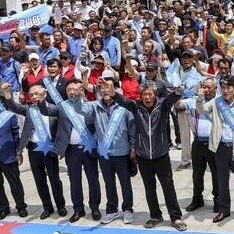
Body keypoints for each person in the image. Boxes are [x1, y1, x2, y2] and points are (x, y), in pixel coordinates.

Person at [108, 80, 187, 231]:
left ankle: (175, 216)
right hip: (143, 155)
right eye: (144, 94)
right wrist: (112, 93)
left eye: (150, 94)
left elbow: (173, 98)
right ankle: (155, 215)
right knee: (149, 187)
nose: (147, 97)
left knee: (168, 186)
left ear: (155, 95)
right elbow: (122, 101)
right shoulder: (136, 106)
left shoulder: (162, 105)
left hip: (161, 154)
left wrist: (177, 91)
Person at [73, 74, 136, 225]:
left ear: (115, 89)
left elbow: (132, 128)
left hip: (122, 152)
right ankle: (111, 210)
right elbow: (80, 109)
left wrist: (133, 148)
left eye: (109, 87)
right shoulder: (95, 106)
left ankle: (127, 209)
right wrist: (77, 95)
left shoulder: (124, 107)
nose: (105, 90)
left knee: (125, 182)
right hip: (104, 153)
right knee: (109, 182)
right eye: (102, 87)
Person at [39, 79, 102, 223]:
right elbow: (46, 111)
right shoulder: (62, 106)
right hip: (72, 151)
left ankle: (95, 208)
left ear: (82, 90)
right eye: (69, 90)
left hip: (89, 149)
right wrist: (42, 99)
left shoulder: (90, 106)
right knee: (75, 181)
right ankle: (78, 209)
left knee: (93, 180)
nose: (72, 92)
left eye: (75, 89)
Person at [196, 75, 234, 224]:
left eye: (228, 87)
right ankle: (224, 210)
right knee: (222, 181)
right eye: (223, 87)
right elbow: (202, 110)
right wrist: (200, 98)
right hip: (221, 147)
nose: (225, 91)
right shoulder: (216, 103)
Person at [2, 83, 66, 219]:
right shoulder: (28, 109)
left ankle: (60, 206)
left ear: (45, 93)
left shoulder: (55, 109)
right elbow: (13, 107)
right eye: (31, 95)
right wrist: (7, 94)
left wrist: (61, 148)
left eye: (37, 93)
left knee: (55, 180)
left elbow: (61, 130)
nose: (34, 96)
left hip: (50, 150)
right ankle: (47, 207)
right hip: (34, 149)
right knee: (40, 180)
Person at [175, 77, 220, 214]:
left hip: (215, 143)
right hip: (198, 142)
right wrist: (177, 93)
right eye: (204, 87)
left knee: (216, 173)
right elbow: (178, 105)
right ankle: (197, 199)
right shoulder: (194, 101)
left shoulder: (220, 101)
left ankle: (218, 199)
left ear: (215, 88)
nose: (206, 90)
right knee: (197, 173)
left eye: (209, 87)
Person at [0, 96, 27, 219]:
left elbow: (16, 134)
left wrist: (18, 152)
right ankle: (3, 207)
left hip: (8, 155)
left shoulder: (8, 116)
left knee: (15, 182)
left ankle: (21, 206)